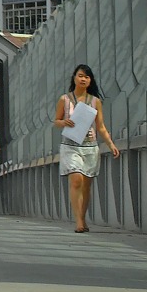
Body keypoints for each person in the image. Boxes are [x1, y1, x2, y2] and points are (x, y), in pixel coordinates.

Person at [54, 63, 120, 233]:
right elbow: (56, 121)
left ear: (90, 81)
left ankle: (82, 217)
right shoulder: (65, 99)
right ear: (74, 78)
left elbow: (101, 126)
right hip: (70, 145)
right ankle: (78, 222)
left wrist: (110, 144)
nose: (83, 79)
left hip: (90, 147)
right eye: (80, 75)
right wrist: (63, 122)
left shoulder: (95, 102)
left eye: (87, 76)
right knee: (76, 180)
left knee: (86, 185)